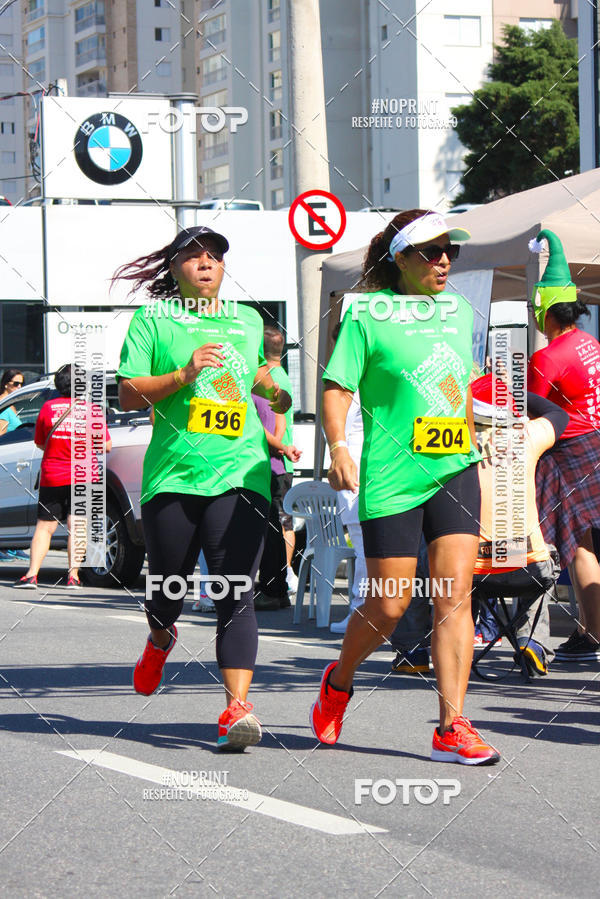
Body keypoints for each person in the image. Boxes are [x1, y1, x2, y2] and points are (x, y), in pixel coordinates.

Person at [311, 209, 500, 765]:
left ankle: (452, 726)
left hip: (454, 468)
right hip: (392, 476)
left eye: (450, 251)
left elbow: (460, 386)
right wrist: (340, 449)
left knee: (453, 597)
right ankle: (339, 680)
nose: (443, 260)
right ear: (399, 258)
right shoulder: (367, 314)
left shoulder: (457, 309)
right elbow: (337, 387)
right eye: (430, 251)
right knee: (391, 606)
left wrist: (474, 439)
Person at [114, 225, 291, 751]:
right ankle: (160, 635)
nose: (207, 263)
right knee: (169, 585)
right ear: (175, 269)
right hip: (174, 475)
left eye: (215, 255)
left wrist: (277, 402)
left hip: (242, 473)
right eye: (194, 256)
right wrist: (185, 374)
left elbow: (255, 381)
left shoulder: (246, 319)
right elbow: (127, 395)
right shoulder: (152, 320)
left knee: (234, 590)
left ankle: (237, 707)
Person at [527, 229, 600, 662]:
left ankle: (589, 636)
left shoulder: (549, 356)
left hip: (567, 450)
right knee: (586, 544)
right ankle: (589, 631)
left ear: (546, 309)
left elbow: (530, 412)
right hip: (594, 441)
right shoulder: (590, 343)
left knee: (572, 545)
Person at [470, 374, 568, 676]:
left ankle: (416, 648)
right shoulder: (527, 435)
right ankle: (532, 643)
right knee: (545, 553)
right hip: (524, 565)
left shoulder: (455, 441)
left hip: (471, 570)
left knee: (433, 550)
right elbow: (559, 414)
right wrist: (516, 393)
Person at [13, 364, 112, 589]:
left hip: (52, 476)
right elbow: (106, 446)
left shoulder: (48, 408)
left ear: (59, 384)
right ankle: (73, 577)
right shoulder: (92, 411)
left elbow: (39, 442)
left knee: (44, 527)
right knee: (77, 526)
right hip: (83, 477)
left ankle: (31, 575)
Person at [252, 390, 301, 609]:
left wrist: (278, 445)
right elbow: (280, 415)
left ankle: (272, 590)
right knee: (274, 529)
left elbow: (255, 428)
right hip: (274, 467)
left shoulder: (249, 387)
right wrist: (280, 443)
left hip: (259, 468)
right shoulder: (275, 383)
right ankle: (278, 589)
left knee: (266, 532)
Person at [262, 325, 298, 594]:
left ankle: (284, 575)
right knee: (285, 521)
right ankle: (286, 574)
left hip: (277, 459)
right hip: (284, 460)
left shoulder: (270, 379)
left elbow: (278, 423)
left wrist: (278, 446)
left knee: (280, 523)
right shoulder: (282, 375)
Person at [0, 368, 24, 436]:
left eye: (21, 384)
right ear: (6, 384)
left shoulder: (9, 404)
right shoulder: (3, 406)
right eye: (16, 384)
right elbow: (1, 436)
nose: (19, 387)